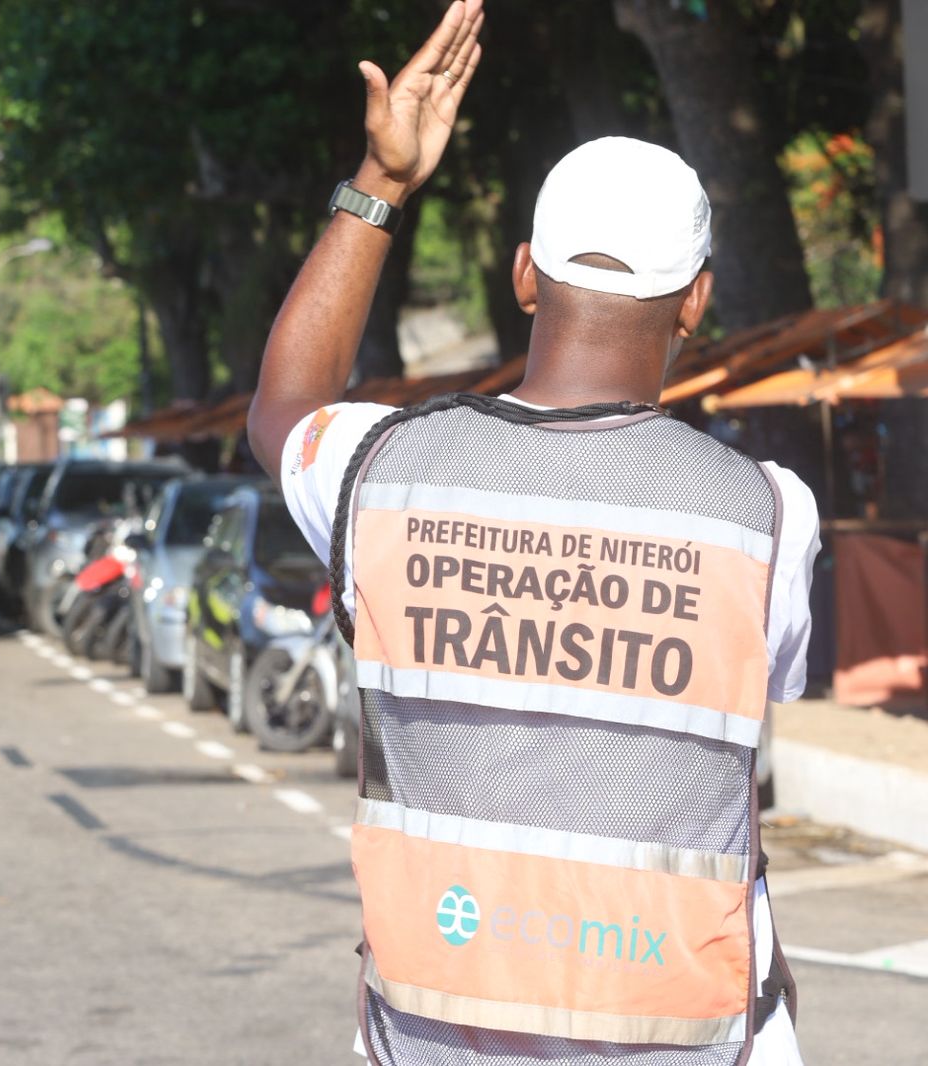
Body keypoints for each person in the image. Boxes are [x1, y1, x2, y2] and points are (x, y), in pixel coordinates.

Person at [247, 3, 817, 1063]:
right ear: (694, 302)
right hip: (687, 1038)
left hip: (431, 1034)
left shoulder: (381, 472)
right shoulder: (769, 515)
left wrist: (379, 184)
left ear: (522, 276)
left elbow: (282, 404)